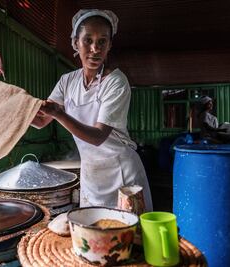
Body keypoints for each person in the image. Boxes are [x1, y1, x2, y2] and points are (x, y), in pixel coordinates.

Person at [32, 9, 153, 210]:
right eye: (88, 40)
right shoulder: (67, 81)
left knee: (129, 235)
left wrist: (59, 113)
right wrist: (14, 109)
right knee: (92, 234)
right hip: (92, 175)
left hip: (121, 173)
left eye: (102, 41)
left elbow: (98, 137)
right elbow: (40, 121)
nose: (95, 49)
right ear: (75, 43)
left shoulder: (116, 81)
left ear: (109, 46)